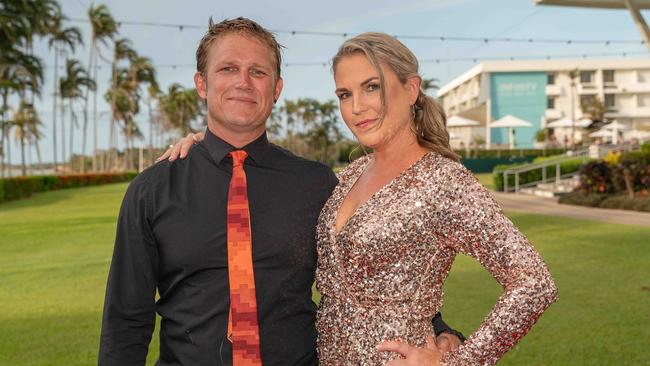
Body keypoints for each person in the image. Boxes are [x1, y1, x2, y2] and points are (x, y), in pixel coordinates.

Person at [167, 31, 558, 365]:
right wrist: (209, 146)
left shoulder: (444, 182)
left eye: (372, 87)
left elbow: (534, 282)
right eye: (344, 93)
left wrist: (462, 359)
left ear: (411, 88)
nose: (357, 107)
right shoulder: (347, 176)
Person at [99, 18, 462, 366]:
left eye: (258, 72)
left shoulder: (319, 185)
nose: (243, 82)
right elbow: (126, 321)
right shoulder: (152, 190)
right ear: (202, 84)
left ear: (276, 89)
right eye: (227, 69)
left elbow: (376, 276)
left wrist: (440, 330)